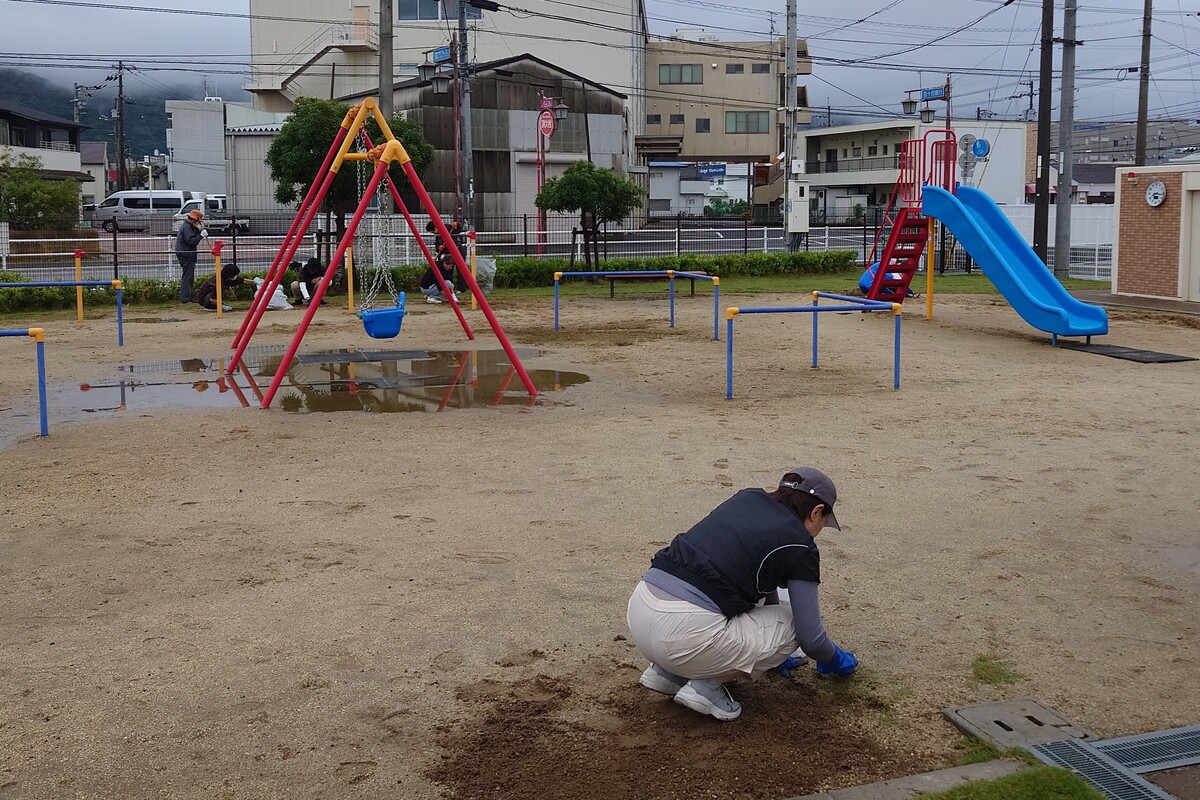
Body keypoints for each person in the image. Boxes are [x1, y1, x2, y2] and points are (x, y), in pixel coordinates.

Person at [626, 467, 859, 722]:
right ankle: (706, 686)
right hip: (684, 636)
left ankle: (667, 673)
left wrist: (772, 656)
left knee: (727, 593)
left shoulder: (746, 498)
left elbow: (762, 588)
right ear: (816, 512)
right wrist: (833, 658)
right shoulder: (801, 545)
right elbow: (811, 638)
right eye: (824, 520)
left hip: (641, 611)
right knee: (793, 623)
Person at [175, 209, 207, 303]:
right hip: (186, 254)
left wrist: (199, 231)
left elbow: (193, 236)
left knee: (189, 276)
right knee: (188, 277)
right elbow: (191, 241)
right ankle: (185, 298)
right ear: (195, 219)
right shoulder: (187, 228)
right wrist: (201, 236)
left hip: (187, 254)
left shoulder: (189, 226)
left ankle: (188, 297)